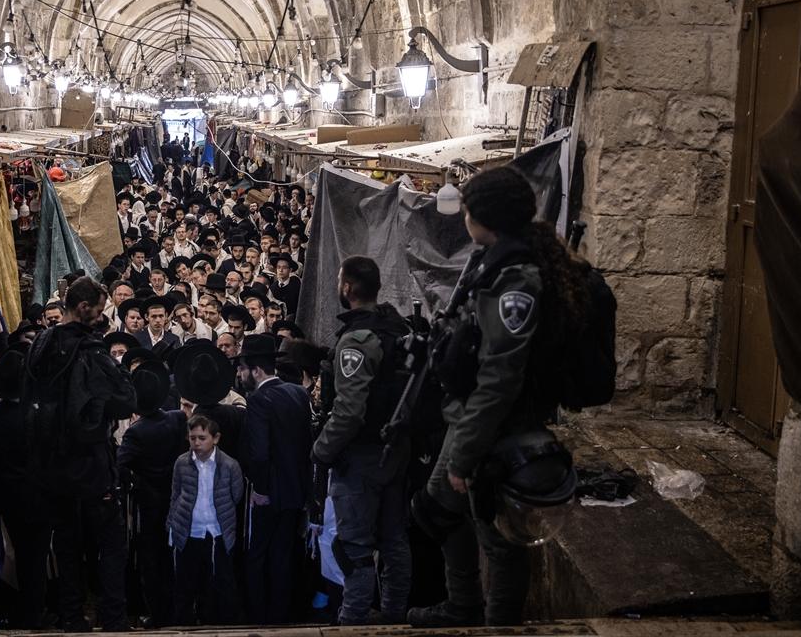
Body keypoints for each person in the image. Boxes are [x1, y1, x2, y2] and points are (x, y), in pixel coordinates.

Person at [408, 166, 572, 628]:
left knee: (497, 538)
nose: (463, 218)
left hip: (497, 424)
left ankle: (498, 624)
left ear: (485, 217)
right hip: (470, 416)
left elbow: (500, 376)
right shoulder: (494, 261)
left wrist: (464, 456)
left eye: (467, 210)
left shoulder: (515, 281)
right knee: (438, 511)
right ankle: (462, 602)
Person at [23, 278, 136, 632]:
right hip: (90, 464)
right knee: (111, 542)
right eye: (99, 310)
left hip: (51, 467)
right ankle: (113, 617)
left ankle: (72, 616)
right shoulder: (91, 350)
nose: (102, 317)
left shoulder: (40, 345)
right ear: (84, 307)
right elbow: (125, 400)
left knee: (67, 543)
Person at [312, 255, 412, 626]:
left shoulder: (357, 339)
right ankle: (394, 616)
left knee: (353, 547)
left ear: (348, 287)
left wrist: (321, 449)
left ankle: (353, 620)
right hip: (396, 450)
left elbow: (349, 412)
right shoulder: (397, 327)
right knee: (394, 541)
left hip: (361, 457)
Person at [237, 334, 313, 625]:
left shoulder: (258, 400)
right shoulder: (298, 393)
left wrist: (260, 489)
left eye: (243, 368)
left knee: (258, 554)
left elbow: (259, 452)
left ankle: (260, 616)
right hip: (296, 488)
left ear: (256, 370)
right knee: (284, 553)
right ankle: (283, 613)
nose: (240, 374)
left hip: (269, 490)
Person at [118, 363, 187, 628]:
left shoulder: (135, 432)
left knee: (152, 560)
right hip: (178, 497)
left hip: (150, 503)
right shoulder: (177, 418)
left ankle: (159, 614)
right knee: (175, 556)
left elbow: (120, 464)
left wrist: (132, 478)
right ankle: (180, 610)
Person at [0, 348, 49, 628]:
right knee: (35, 558)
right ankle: (33, 612)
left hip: (7, 497)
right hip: (38, 496)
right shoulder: (36, 414)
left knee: (20, 555)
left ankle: (23, 610)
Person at [168, 415, 244, 626]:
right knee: (185, 583)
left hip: (217, 530)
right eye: (192, 438)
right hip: (189, 530)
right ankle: (184, 624)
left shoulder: (229, 465)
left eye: (202, 438)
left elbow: (236, 495)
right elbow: (176, 494)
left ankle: (219, 623)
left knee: (221, 582)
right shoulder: (182, 463)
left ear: (215, 438)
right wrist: (172, 525)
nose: (197, 443)